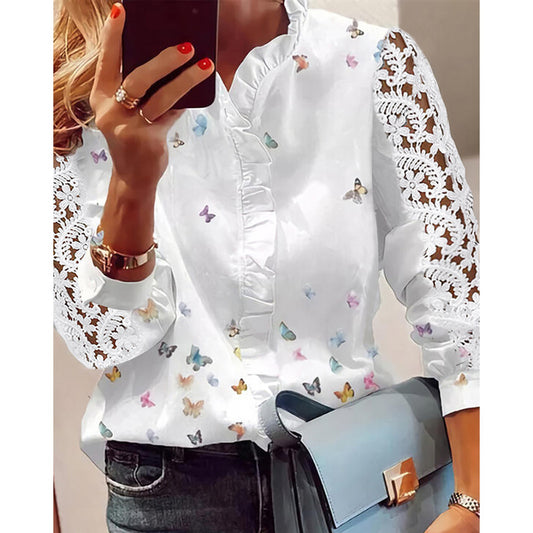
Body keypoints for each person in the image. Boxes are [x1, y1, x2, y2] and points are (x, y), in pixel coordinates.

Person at [53, 1, 480, 532]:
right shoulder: (79, 90)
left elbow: (457, 300)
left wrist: (476, 500)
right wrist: (132, 188)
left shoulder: (372, 62)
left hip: (355, 483)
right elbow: (103, 340)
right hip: (168, 498)